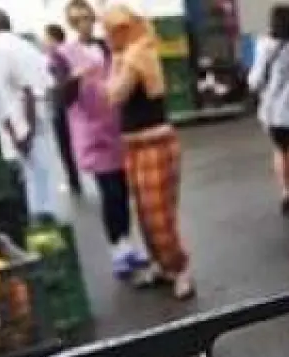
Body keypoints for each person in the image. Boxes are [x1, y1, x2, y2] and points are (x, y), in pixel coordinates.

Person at [102, 3, 195, 300]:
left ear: (124, 30)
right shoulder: (127, 55)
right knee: (144, 213)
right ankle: (161, 265)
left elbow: (114, 95)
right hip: (135, 145)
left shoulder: (136, 55)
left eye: (111, 31)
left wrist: (113, 67)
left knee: (159, 214)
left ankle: (180, 269)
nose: (107, 37)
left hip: (155, 144)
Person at [57, 0, 153, 285]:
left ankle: (127, 242)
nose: (83, 24)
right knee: (109, 190)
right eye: (77, 20)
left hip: (116, 127)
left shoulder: (106, 47)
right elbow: (60, 98)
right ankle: (117, 248)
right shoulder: (63, 55)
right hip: (91, 133)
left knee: (123, 190)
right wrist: (73, 81)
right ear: (70, 23)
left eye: (87, 17)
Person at [0, 9, 61, 223]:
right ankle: (46, 218)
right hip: (39, 112)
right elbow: (48, 81)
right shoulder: (26, 46)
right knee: (41, 172)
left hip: (19, 118)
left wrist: (21, 131)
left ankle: (36, 219)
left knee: (26, 176)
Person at [248, 4, 289, 216]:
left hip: (274, 112)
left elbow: (255, 80)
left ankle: (286, 192)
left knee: (280, 151)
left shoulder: (265, 46)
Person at [45, 24, 83, 196]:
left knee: (64, 145)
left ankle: (73, 180)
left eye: (46, 38)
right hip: (70, 104)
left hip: (60, 105)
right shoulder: (68, 53)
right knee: (72, 142)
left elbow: (60, 81)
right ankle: (75, 178)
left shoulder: (57, 56)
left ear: (53, 38)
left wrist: (53, 90)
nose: (44, 42)